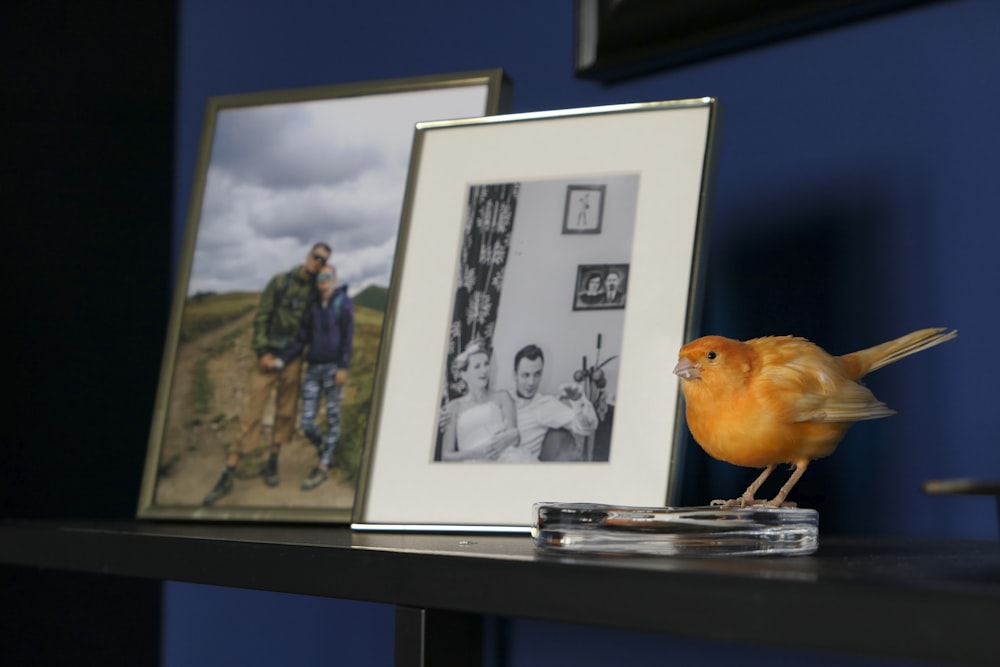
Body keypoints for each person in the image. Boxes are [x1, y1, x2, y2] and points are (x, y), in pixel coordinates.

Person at [203, 242, 330, 505]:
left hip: (292, 362)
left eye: (323, 260)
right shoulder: (280, 282)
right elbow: (262, 316)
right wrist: (262, 352)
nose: (317, 262)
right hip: (267, 357)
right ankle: (230, 470)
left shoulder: (314, 294)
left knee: (285, 413)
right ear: (308, 256)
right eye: (316, 256)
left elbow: (311, 328)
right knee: (252, 412)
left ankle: (273, 461)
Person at [274, 263, 354, 490]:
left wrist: (343, 367)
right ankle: (326, 447)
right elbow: (301, 339)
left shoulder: (343, 303)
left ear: (335, 278)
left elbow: (348, 337)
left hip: (333, 369)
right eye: (320, 276)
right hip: (313, 369)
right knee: (307, 422)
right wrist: (282, 359)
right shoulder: (313, 308)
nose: (324, 279)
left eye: (328, 275)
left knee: (332, 416)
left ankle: (323, 466)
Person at [510, 344, 598, 461]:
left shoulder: (545, 405)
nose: (531, 382)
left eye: (537, 374)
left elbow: (586, 428)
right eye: (526, 375)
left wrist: (578, 400)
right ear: (515, 374)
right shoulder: (503, 397)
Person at [440, 341, 520, 462]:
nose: (484, 370)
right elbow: (446, 456)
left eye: (486, 364)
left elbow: (515, 437)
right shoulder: (454, 407)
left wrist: (507, 439)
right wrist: (476, 454)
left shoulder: (503, 397)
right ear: (464, 374)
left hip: (505, 458)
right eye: (477, 366)